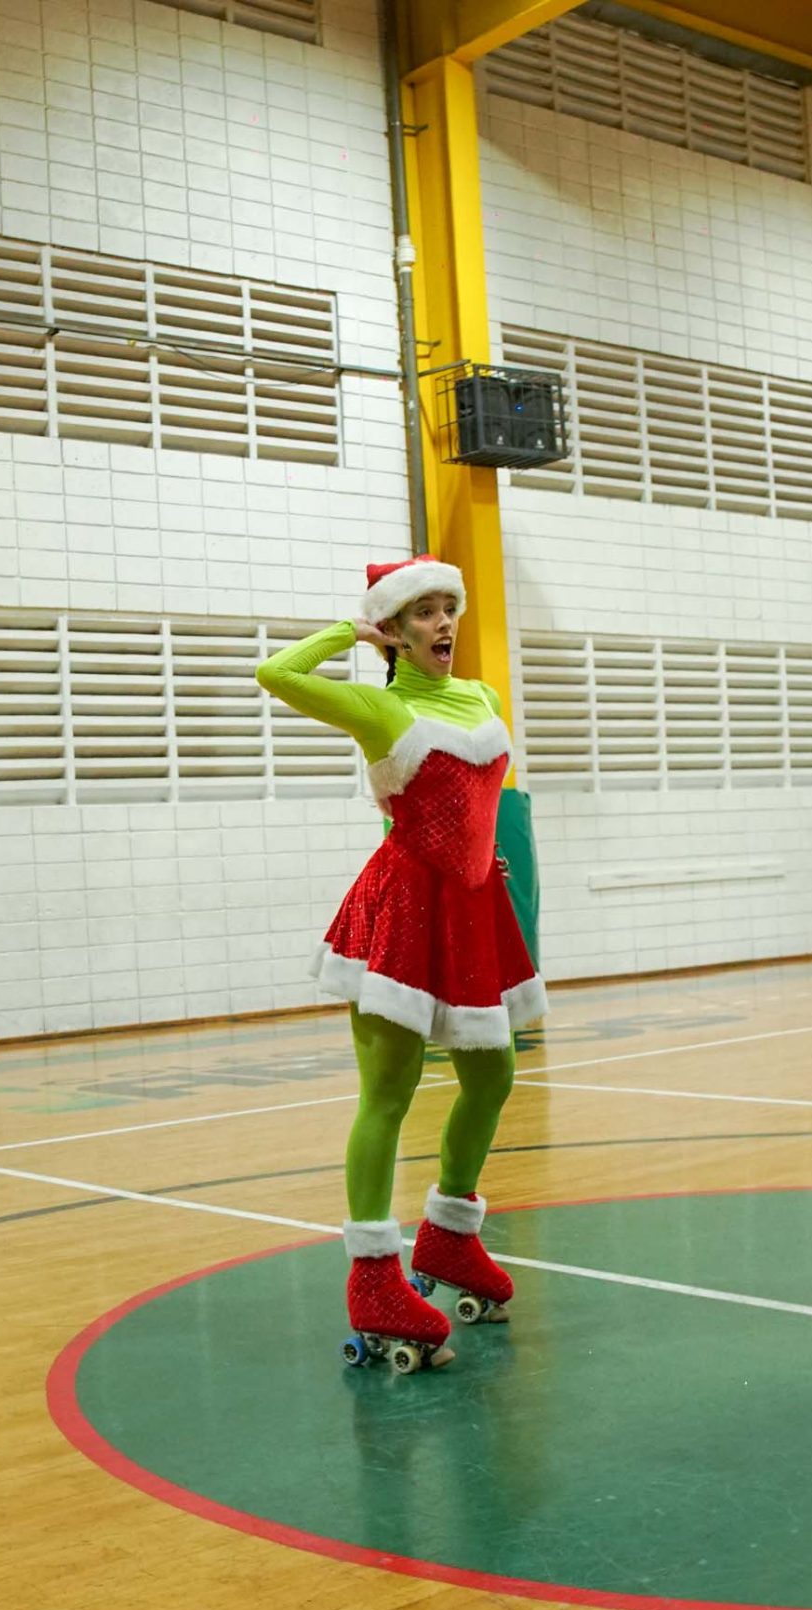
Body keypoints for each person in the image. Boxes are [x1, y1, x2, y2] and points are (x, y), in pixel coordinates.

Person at [256, 555, 547, 1373]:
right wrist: (349, 632)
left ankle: (450, 1236)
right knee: (389, 1091)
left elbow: (478, 806)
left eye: (448, 606)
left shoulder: (484, 698)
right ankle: (374, 1278)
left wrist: (483, 862)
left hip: (473, 907)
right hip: (402, 910)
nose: (443, 621)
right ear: (395, 629)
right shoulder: (381, 708)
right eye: (422, 611)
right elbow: (275, 673)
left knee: (494, 1074)